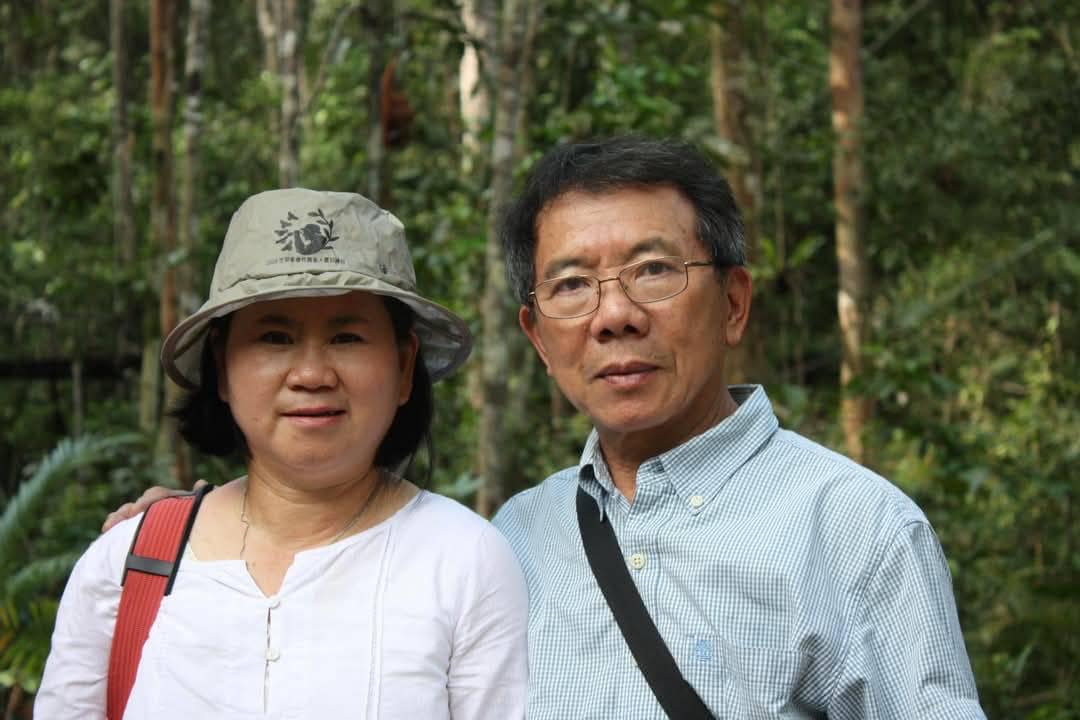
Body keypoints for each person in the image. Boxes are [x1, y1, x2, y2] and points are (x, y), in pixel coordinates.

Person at [101, 138, 987, 719]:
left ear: (734, 303)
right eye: (570, 286)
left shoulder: (857, 530)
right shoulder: (512, 538)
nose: (614, 315)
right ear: (536, 335)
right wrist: (214, 530)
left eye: (653, 270)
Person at [37, 189, 528, 719]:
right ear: (222, 367)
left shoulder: (464, 561)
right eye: (275, 337)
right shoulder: (127, 564)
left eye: (347, 337)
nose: (312, 375)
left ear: (404, 366)